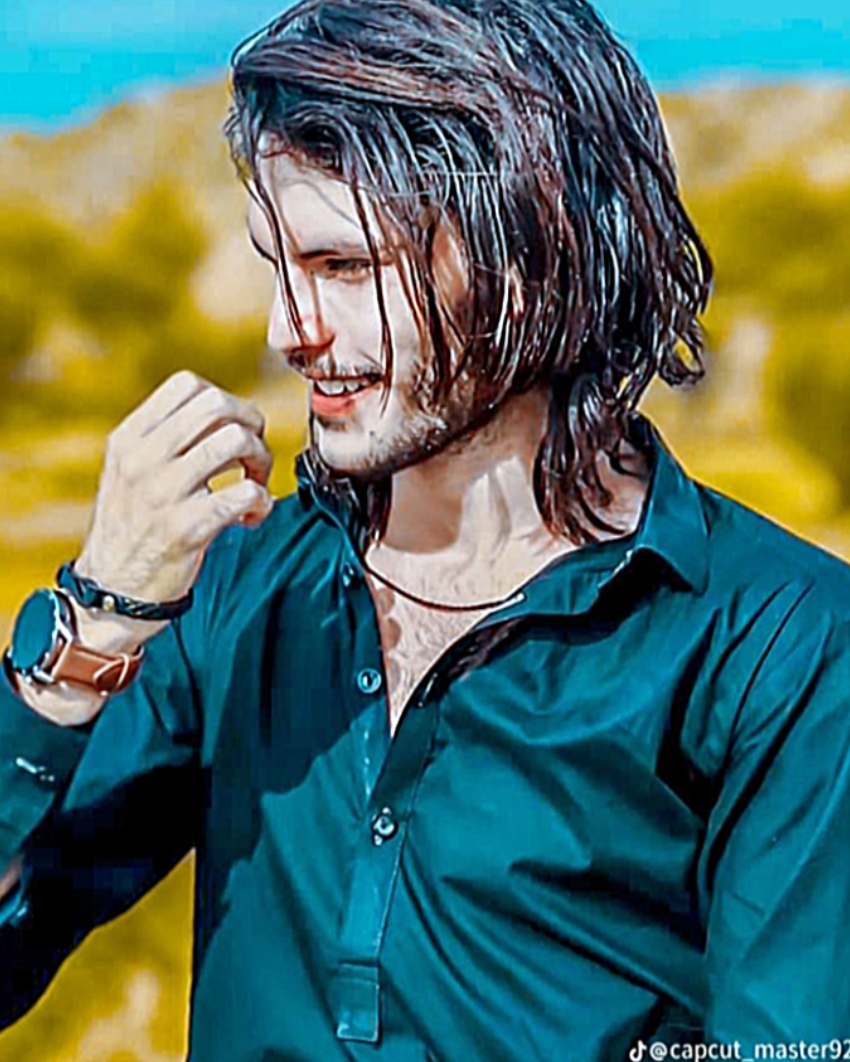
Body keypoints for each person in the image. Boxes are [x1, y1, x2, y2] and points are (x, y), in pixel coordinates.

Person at [2, 0, 850, 1058]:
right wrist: (94, 622)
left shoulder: (782, 642)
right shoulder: (235, 586)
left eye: (343, 268)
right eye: (277, 265)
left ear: (530, 258)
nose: (287, 331)